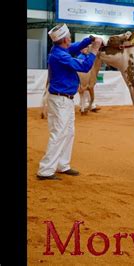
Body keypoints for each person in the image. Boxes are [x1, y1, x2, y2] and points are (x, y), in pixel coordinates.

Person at [37, 23, 103, 180]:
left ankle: (62, 165)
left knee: (67, 132)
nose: (71, 40)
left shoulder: (59, 50)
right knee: (59, 134)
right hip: (61, 100)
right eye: (69, 38)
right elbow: (85, 66)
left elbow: (75, 47)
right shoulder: (61, 55)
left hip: (64, 99)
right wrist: (94, 50)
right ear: (65, 39)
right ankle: (45, 170)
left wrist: (89, 39)